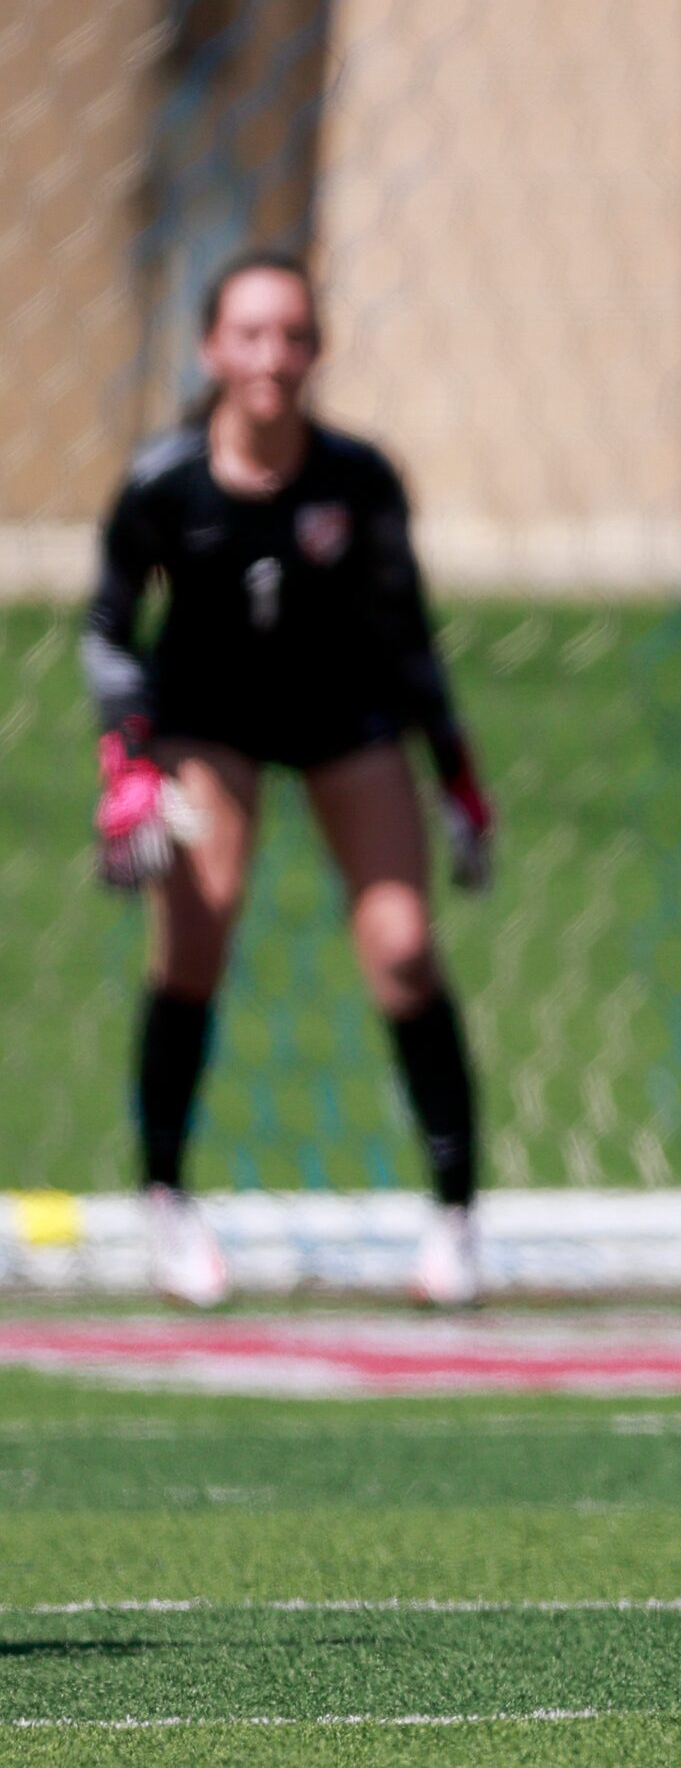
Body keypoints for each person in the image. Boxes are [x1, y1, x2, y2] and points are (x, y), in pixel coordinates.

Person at [82, 251, 496, 1309]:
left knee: (403, 951)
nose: (273, 358)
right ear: (213, 348)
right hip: (206, 720)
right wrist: (126, 768)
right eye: (252, 335)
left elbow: (406, 637)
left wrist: (453, 771)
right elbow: (109, 636)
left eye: (294, 336)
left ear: (316, 351)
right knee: (197, 932)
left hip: (341, 716)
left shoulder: (357, 481)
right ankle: (165, 1199)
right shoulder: (162, 484)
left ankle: (456, 1216)